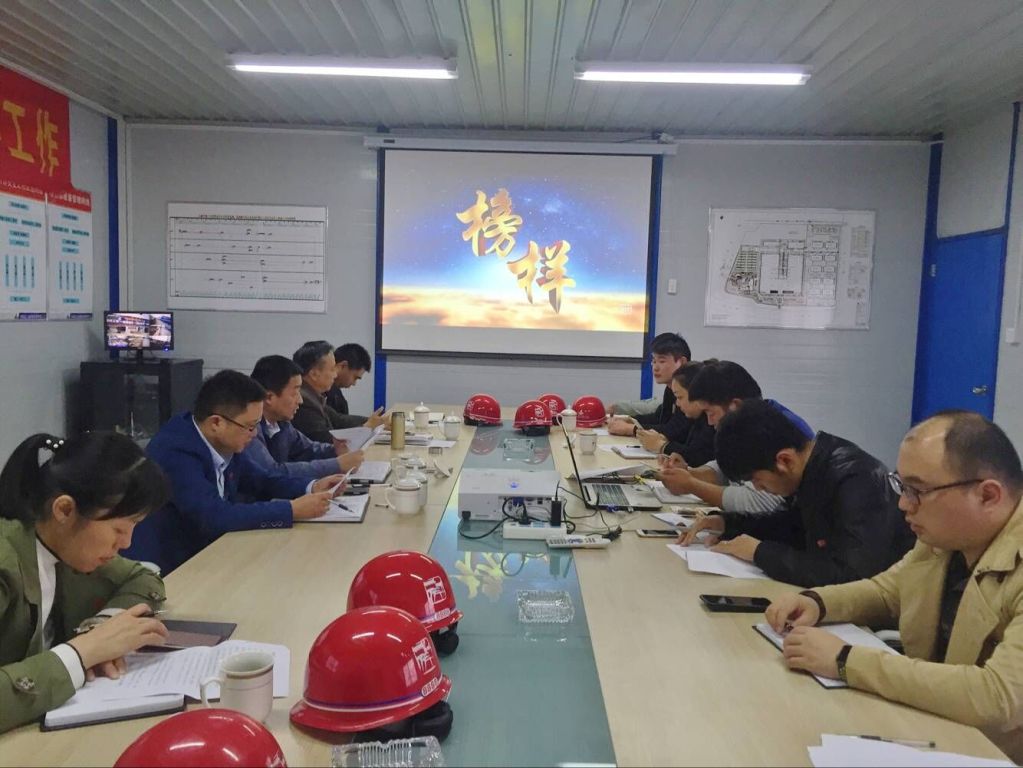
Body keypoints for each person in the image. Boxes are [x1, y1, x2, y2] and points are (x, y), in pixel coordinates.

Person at [765, 411, 1023, 763]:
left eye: (918, 491)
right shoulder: (946, 539)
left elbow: (998, 697)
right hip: (934, 730)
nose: (903, 504)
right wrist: (817, 602)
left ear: (988, 495)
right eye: (902, 486)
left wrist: (845, 660)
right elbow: (888, 591)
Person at [1, 431, 172, 733]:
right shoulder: (7, 564)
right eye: (119, 529)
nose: (127, 543)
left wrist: (102, 628)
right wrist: (82, 653)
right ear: (65, 510)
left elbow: (143, 577)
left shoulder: (64, 546)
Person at [124, 370, 344, 574]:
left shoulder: (224, 440)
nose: (254, 434)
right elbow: (213, 516)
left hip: (211, 553)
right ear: (216, 423)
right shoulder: (176, 451)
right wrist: (290, 510)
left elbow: (261, 479)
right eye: (250, 426)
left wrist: (311, 486)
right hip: (170, 567)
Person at [679, 399, 914, 586]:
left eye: (756, 479)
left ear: (784, 460)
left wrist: (760, 553)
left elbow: (852, 577)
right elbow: (790, 527)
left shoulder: (855, 479)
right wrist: (727, 523)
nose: (758, 488)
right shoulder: (812, 469)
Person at [658, 360, 812, 513]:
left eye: (710, 412)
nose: (710, 422)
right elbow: (726, 469)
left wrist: (692, 485)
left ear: (735, 406)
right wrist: (689, 474)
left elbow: (762, 501)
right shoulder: (751, 423)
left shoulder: (770, 427)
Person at [247, 355, 364, 479]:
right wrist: (336, 465)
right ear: (269, 397)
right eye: (294, 393)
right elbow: (271, 472)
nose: (300, 400)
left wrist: (335, 450)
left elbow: (308, 449)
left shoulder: (281, 423)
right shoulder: (249, 428)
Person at [292, 340, 386, 443]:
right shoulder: (303, 401)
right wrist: (366, 428)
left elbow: (339, 420)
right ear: (314, 374)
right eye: (332, 369)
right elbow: (325, 440)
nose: (335, 374)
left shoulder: (314, 397)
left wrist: (376, 421)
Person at [608, 332, 690, 442]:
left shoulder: (690, 390)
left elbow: (675, 430)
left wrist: (632, 429)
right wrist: (631, 420)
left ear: (682, 362)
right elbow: (659, 418)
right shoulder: (670, 389)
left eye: (661, 361)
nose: (655, 367)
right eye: (654, 361)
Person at [633, 361, 716, 467]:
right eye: (653, 361)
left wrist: (662, 446)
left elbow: (699, 457)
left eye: (680, 397)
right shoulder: (697, 418)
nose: (677, 403)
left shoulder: (711, 421)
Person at [325, 342, 385, 429]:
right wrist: (369, 424)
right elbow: (338, 423)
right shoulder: (322, 394)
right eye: (355, 377)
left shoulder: (335, 393)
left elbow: (339, 420)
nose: (354, 383)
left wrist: (374, 422)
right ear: (343, 366)